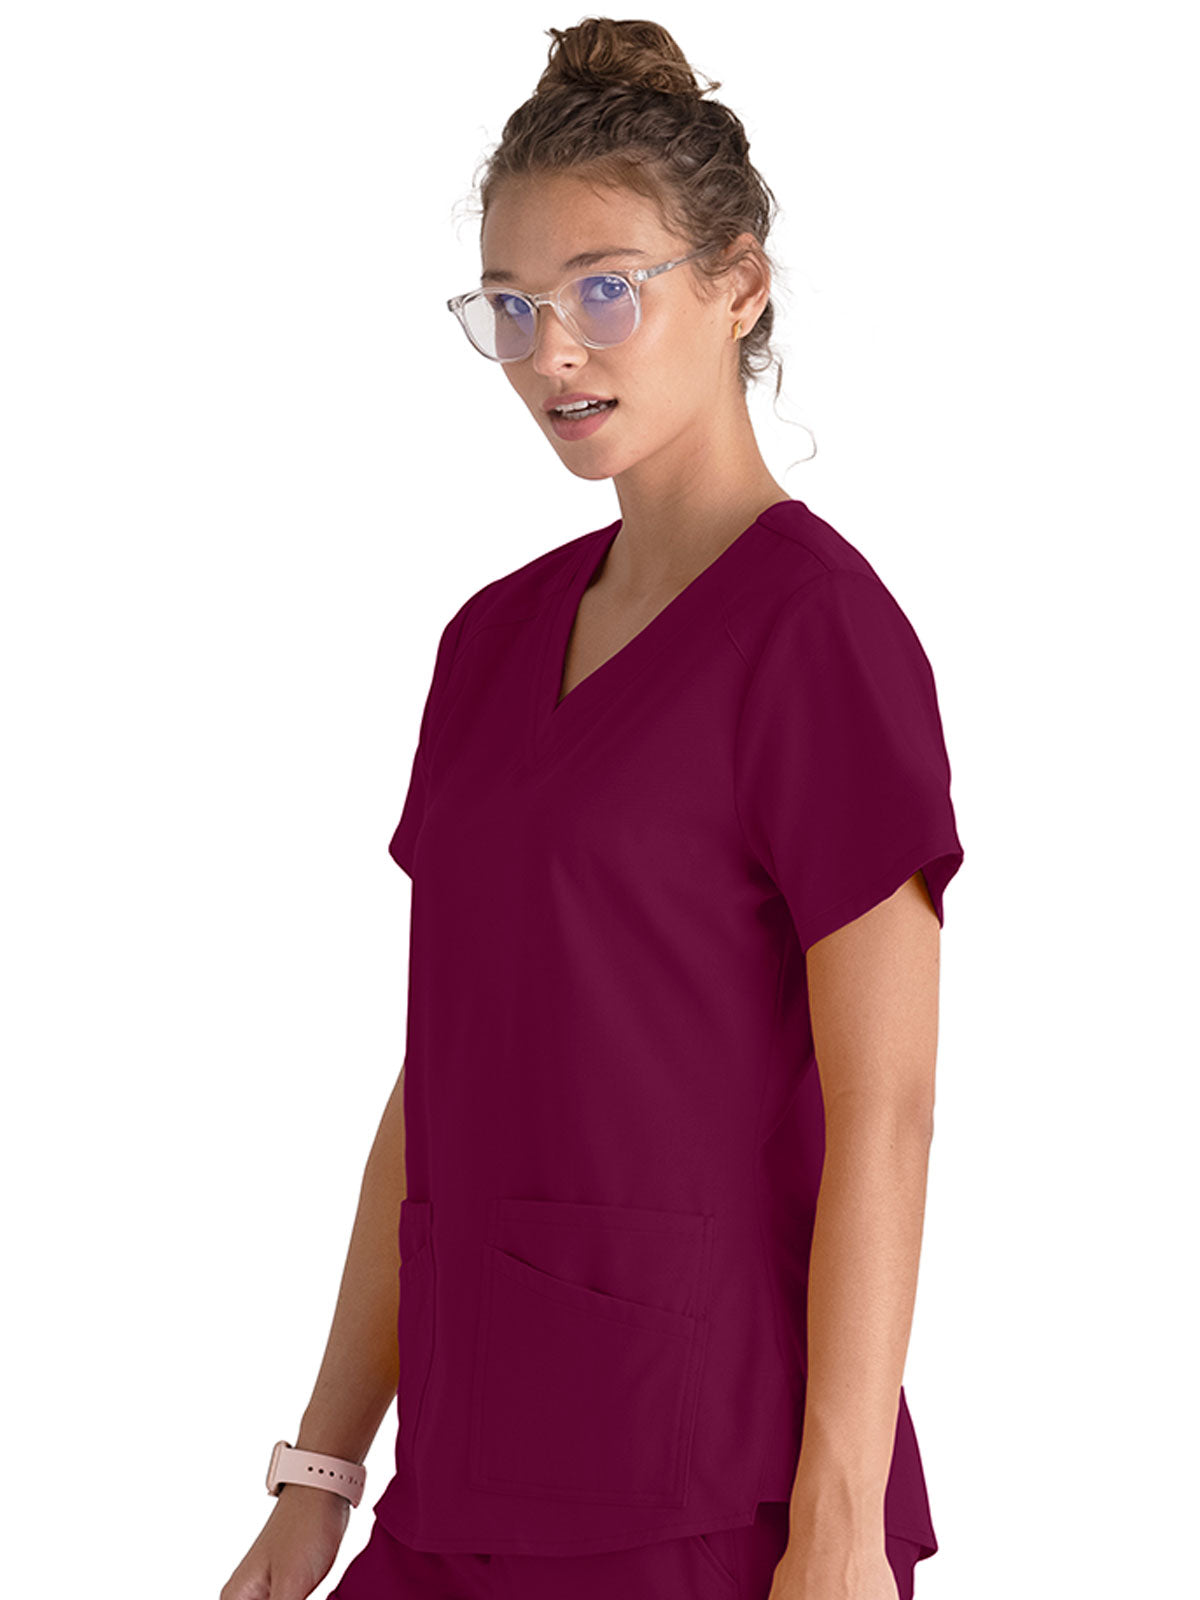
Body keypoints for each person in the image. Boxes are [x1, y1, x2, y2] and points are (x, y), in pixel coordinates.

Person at [220, 17, 964, 1600]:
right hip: (464, 1465)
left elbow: (887, 1108)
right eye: (511, 305)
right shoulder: (488, 645)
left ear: (740, 285)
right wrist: (324, 1469)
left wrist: (837, 1531)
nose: (551, 350)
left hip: (702, 1486)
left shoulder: (818, 637)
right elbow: (443, 1079)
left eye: (604, 290)